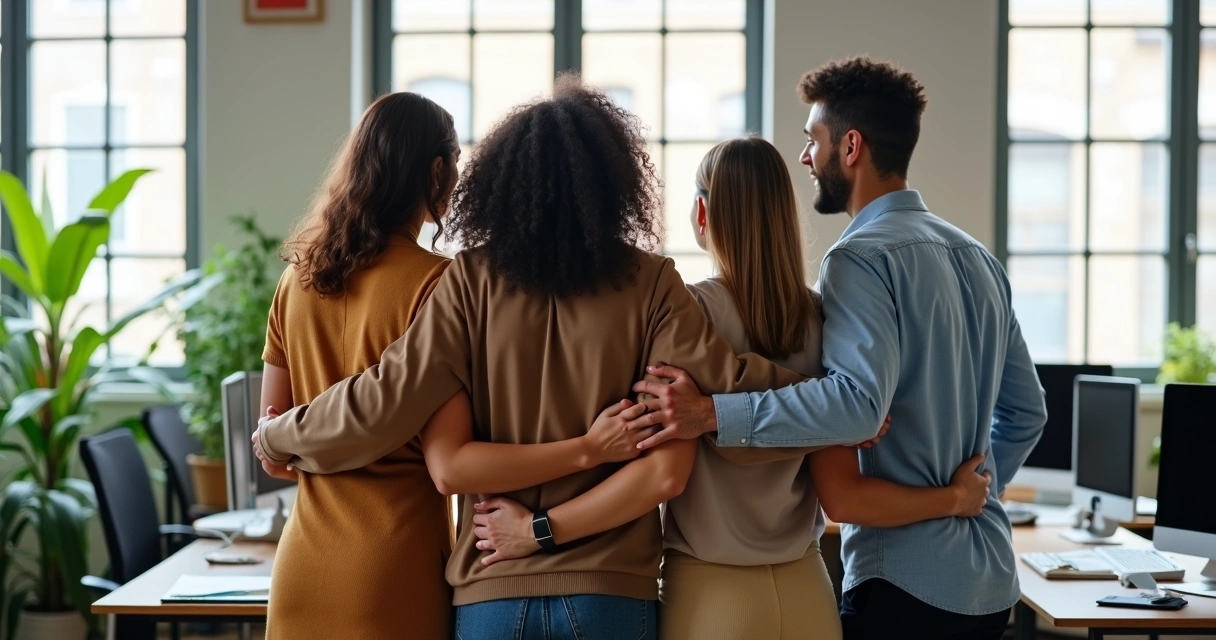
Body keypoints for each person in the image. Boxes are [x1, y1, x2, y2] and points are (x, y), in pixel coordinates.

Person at [252, 77, 876, 640]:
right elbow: (731, 378)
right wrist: (834, 396)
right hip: (611, 591)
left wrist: (282, 433)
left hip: (491, 585)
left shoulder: (468, 280)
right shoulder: (652, 282)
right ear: (613, 182)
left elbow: (386, 396)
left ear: (501, 181)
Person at [469, 136, 992, 640]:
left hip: (710, 593)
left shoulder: (684, 314)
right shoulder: (821, 319)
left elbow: (657, 469)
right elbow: (838, 494)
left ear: (702, 215)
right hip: (806, 590)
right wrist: (938, 487)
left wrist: (540, 525)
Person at [626, 57, 1048, 640]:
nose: (806, 157)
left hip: (902, 579)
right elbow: (1028, 412)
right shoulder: (980, 259)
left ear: (851, 147)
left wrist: (709, 412)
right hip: (987, 584)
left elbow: (855, 407)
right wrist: (973, 489)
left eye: (813, 141)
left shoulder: (856, 261)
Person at [258, 91, 654, 639]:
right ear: (437, 171)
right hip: (391, 564)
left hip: (300, 565)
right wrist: (588, 448)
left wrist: (284, 438)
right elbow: (449, 460)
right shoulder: (437, 283)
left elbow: (276, 459)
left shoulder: (294, 282)